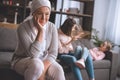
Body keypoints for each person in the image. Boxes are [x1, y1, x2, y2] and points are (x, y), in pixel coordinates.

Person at [11, 0, 65, 80]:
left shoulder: (52, 27)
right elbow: (33, 55)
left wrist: (43, 71)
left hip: (43, 59)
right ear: (33, 13)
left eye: (47, 14)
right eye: (40, 13)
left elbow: (53, 53)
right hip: (22, 59)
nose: (44, 18)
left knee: (58, 69)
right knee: (37, 65)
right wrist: (41, 31)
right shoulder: (22, 27)